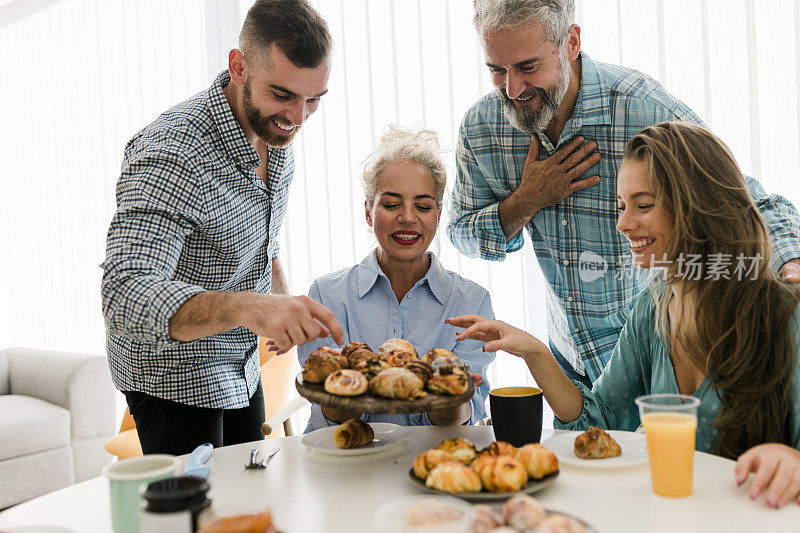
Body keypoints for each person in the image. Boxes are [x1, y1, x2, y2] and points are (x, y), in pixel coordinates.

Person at [448, 0, 800, 388]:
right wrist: (526, 201)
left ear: (571, 42)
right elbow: (462, 234)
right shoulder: (481, 127)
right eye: (497, 70)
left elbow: (748, 200)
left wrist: (790, 262)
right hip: (569, 360)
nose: (512, 89)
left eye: (528, 67)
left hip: (656, 356)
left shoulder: (645, 109)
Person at [451, 121, 800, 508]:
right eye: (621, 206)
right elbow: (598, 421)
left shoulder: (784, 316)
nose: (623, 223)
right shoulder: (653, 307)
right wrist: (535, 352)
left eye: (644, 205)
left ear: (699, 205)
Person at [101, 0, 344, 455]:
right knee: (199, 522)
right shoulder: (172, 153)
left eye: (313, 99)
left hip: (239, 365)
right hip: (172, 379)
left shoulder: (273, 131)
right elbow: (124, 294)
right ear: (238, 66)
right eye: (283, 95)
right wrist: (247, 308)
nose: (298, 117)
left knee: (248, 507)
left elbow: (257, 242)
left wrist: (278, 297)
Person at [297, 126, 495, 431]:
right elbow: (331, 417)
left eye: (423, 206)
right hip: (345, 465)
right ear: (368, 212)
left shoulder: (472, 302)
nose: (407, 217)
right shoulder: (326, 294)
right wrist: (340, 385)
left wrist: (453, 398)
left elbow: (457, 423)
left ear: (439, 215)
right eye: (391, 204)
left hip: (433, 464)